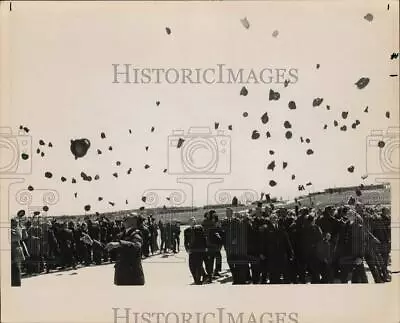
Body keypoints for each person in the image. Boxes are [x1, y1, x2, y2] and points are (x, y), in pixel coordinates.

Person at [106, 213, 145, 285]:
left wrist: (119, 244)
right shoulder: (121, 235)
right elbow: (108, 247)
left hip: (132, 277)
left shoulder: (136, 234)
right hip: (120, 276)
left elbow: (136, 246)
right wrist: (92, 243)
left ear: (134, 220)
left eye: (129, 215)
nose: (125, 216)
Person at [184, 217, 207, 285]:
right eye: (190, 221)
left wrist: (205, 247)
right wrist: (187, 249)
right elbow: (185, 242)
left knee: (199, 265)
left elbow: (204, 238)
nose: (192, 222)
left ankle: (198, 281)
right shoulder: (186, 230)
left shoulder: (200, 228)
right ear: (189, 223)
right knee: (191, 266)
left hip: (199, 250)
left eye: (193, 221)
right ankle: (199, 277)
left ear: (195, 222)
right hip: (192, 250)